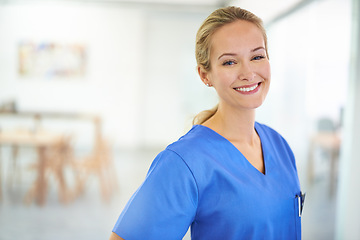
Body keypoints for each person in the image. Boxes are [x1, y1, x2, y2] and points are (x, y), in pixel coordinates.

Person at [109, 6, 303, 240]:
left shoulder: (279, 146)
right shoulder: (185, 162)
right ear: (205, 75)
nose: (248, 72)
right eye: (230, 62)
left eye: (257, 56)